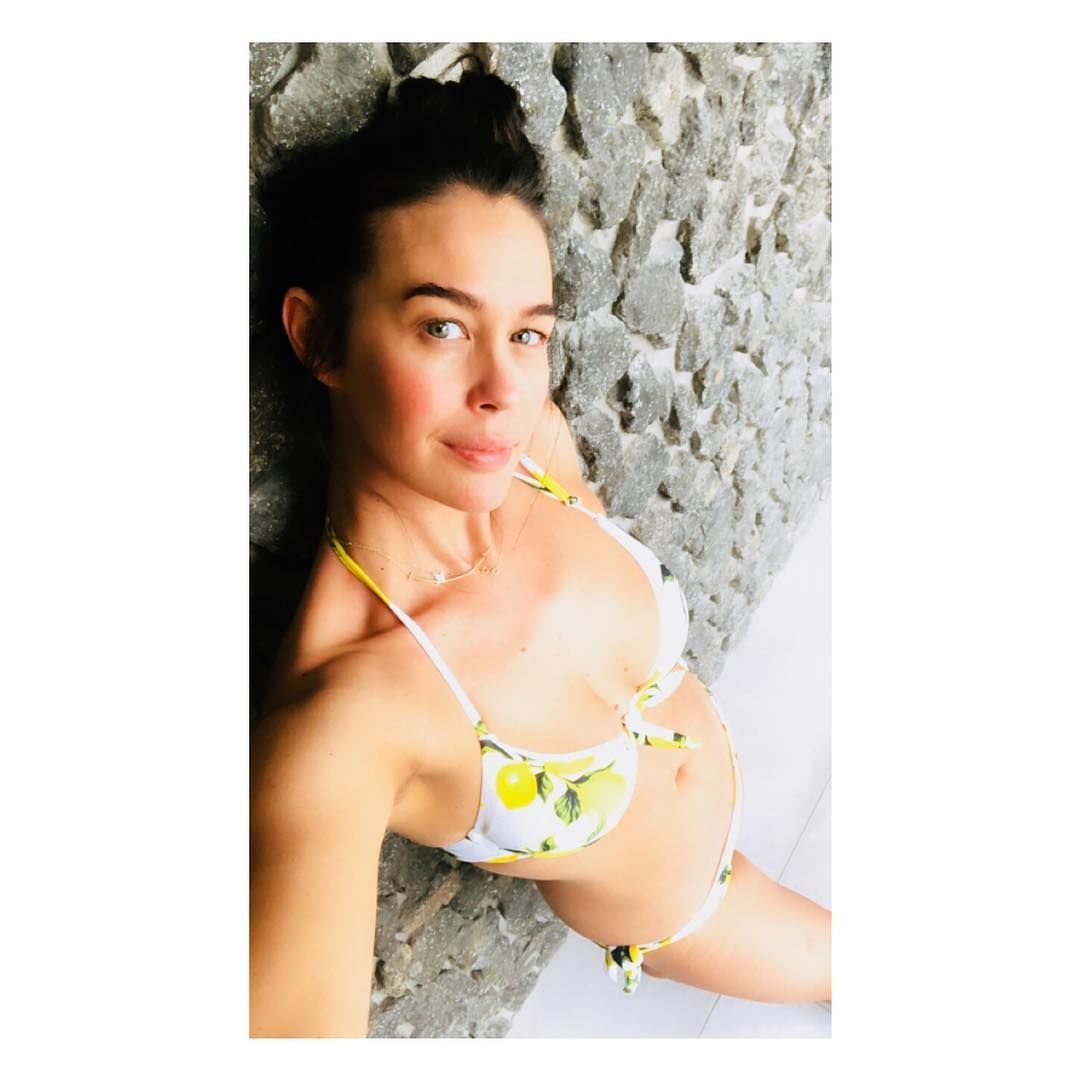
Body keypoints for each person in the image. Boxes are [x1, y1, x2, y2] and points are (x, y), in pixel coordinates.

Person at [249, 54, 831, 1038]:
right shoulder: (346, 722)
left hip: (741, 780)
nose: (503, 390)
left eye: (528, 334)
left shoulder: (529, 447)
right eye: (442, 327)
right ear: (318, 339)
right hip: (690, 908)